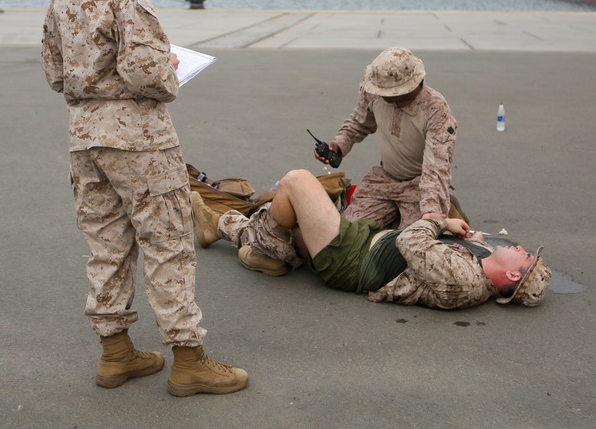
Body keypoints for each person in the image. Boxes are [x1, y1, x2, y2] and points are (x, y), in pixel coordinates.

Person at [41, 0, 247, 397]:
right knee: (168, 243)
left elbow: (52, 70)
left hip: (84, 137)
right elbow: (144, 71)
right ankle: (190, 361)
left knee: (106, 244)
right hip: (138, 140)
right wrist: (170, 69)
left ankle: (116, 354)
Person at [191, 169, 551, 309]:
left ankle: (255, 243)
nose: (518, 248)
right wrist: (463, 229)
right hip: (365, 242)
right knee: (290, 226)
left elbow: (413, 244)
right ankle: (226, 228)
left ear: (514, 277)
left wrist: (440, 222)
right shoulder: (483, 258)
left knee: (297, 182)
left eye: (523, 257)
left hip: (352, 262)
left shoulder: (465, 283)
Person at [315, 47, 458, 230]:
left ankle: (444, 209)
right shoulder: (374, 92)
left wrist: (431, 209)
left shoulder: (435, 109)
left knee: (412, 240)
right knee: (346, 233)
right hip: (385, 179)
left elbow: (436, 168)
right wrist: (338, 146)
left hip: (420, 185)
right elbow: (358, 123)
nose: (379, 93)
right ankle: (394, 216)